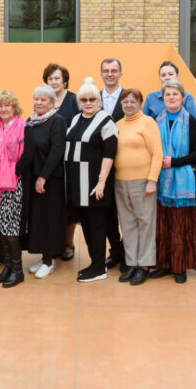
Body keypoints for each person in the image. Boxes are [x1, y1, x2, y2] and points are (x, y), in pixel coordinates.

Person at [64, 78, 119, 283]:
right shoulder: (77, 119)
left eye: (92, 99)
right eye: (84, 99)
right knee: (86, 224)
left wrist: (101, 181)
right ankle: (95, 262)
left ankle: (99, 267)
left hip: (95, 184)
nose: (88, 102)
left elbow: (110, 153)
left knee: (96, 225)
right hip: (78, 184)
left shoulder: (106, 121)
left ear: (99, 100)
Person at [150, 80, 196, 284]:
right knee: (162, 225)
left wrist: (174, 162)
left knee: (181, 226)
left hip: (183, 180)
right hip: (161, 181)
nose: (171, 98)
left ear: (182, 97)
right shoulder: (156, 120)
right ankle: (164, 264)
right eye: (167, 95)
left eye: (175, 94)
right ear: (162, 99)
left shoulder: (189, 120)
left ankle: (180, 266)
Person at [113, 88, 162, 286]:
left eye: (133, 101)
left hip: (143, 182)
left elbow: (157, 153)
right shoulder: (117, 124)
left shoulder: (148, 122)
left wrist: (152, 179)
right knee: (127, 224)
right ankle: (131, 263)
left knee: (146, 223)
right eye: (125, 102)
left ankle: (145, 265)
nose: (129, 105)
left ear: (141, 103)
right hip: (120, 181)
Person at [23, 85, 68, 279]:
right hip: (32, 178)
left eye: (43, 100)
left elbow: (57, 151)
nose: (38, 102)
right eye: (36, 99)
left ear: (52, 102)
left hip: (50, 180)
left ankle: (50, 261)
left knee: (49, 220)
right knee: (38, 220)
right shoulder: (31, 121)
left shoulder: (57, 121)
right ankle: (43, 257)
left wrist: (43, 177)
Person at [0, 90, 32, 288]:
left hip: (14, 184)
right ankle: (7, 265)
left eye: (7, 105)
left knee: (11, 228)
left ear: (14, 107)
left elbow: (28, 154)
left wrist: (13, 170)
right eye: (0, 105)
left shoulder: (24, 126)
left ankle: (18, 270)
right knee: (1, 226)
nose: (4, 109)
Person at [43, 62, 79, 262]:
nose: (54, 81)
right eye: (50, 79)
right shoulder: (44, 100)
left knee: (68, 203)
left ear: (64, 80)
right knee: (53, 203)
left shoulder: (74, 100)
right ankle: (53, 243)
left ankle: (68, 242)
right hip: (48, 161)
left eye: (57, 78)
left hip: (69, 159)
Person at [98, 58, 126, 270]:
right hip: (101, 164)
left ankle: (128, 254)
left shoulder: (128, 98)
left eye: (114, 70)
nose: (110, 74)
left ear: (120, 73)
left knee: (126, 213)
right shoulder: (93, 98)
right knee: (107, 213)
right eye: (106, 71)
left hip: (126, 162)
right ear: (101, 74)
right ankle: (115, 251)